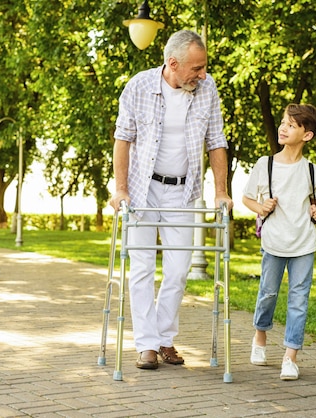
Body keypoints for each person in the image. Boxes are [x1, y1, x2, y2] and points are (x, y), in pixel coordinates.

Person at [109, 30, 233, 370]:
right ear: (173, 63)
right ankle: (147, 345)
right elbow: (123, 138)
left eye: (204, 67)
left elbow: (217, 141)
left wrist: (221, 191)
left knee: (178, 270)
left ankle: (164, 337)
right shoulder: (139, 86)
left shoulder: (207, 90)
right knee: (142, 268)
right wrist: (121, 189)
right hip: (142, 190)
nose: (202, 74)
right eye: (196, 68)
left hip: (183, 190)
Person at [242, 103, 316, 381]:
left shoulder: (312, 171)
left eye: (291, 124)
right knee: (267, 293)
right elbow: (247, 199)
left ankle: (290, 357)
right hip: (274, 241)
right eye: (283, 122)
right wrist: (260, 208)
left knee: (298, 300)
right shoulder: (264, 165)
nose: (283, 127)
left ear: (307, 135)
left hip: (304, 242)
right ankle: (260, 339)